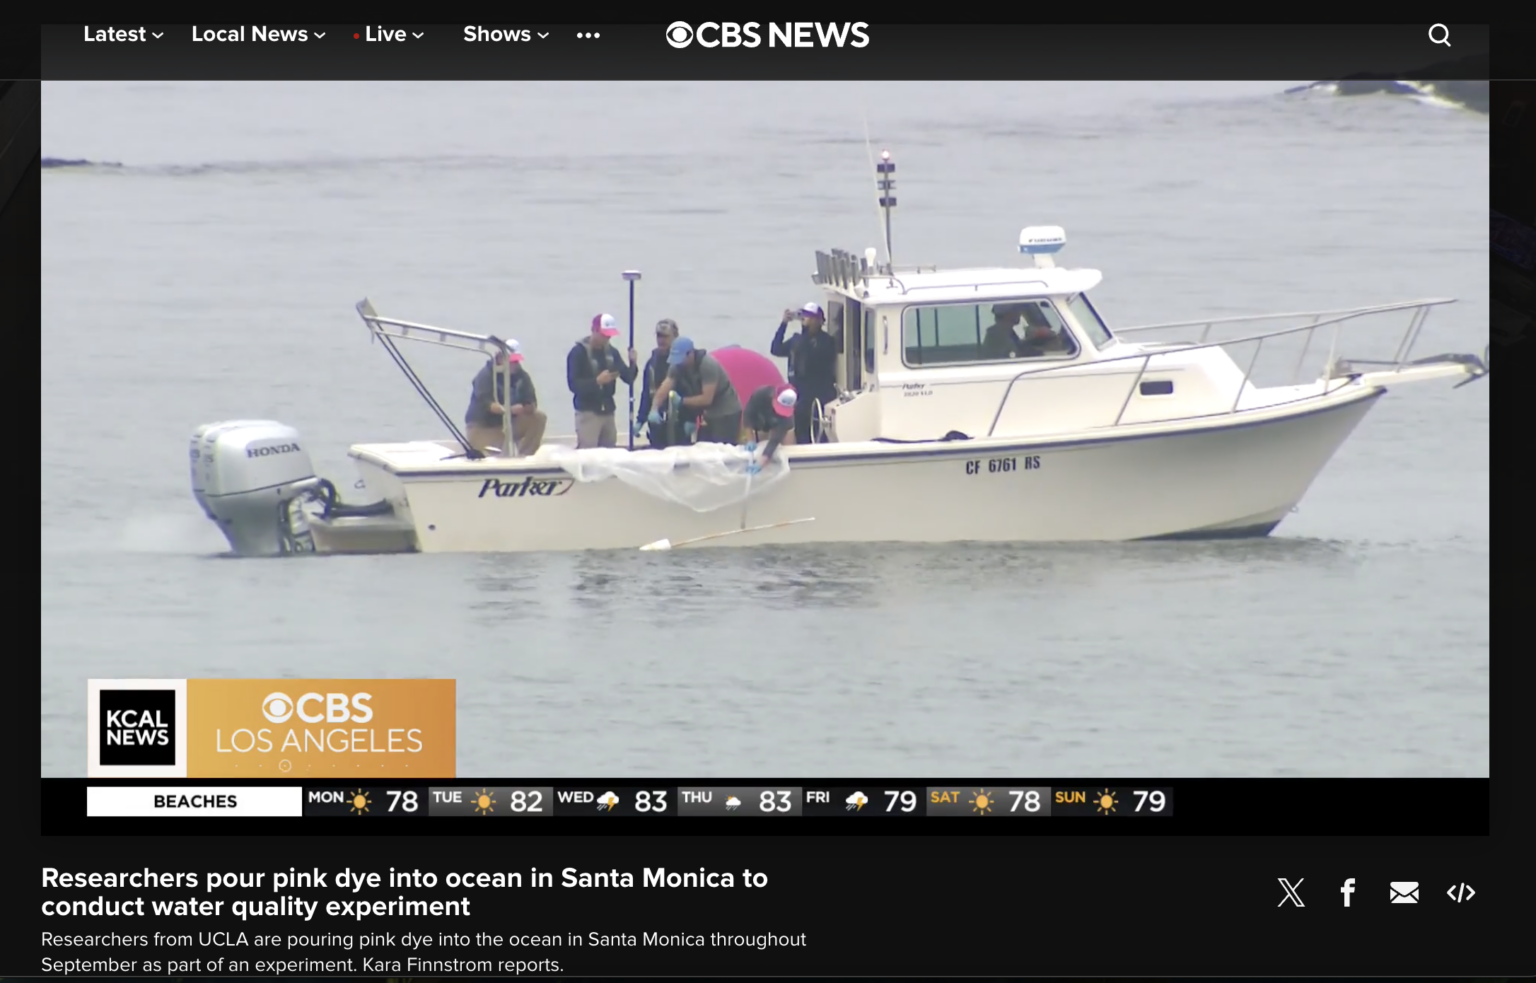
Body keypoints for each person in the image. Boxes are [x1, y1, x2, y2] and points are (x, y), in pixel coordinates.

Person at [770, 301, 841, 444]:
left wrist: (803, 337)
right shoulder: (797, 340)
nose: (804, 318)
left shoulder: (826, 341)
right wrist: (784, 324)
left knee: (816, 431)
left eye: (808, 316)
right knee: (799, 430)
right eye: (803, 315)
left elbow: (813, 359)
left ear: (817, 320)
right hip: (799, 394)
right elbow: (775, 349)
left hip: (818, 394)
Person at [649, 337, 742, 444]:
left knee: (721, 447)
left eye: (681, 359)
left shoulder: (707, 365)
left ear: (690, 354)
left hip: (726, 411)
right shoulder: (677, 366)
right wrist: (654, 408)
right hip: (708, 413)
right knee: (702, 446)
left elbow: (707, 399)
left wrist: (682, 401)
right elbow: (665, 386)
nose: (678, 363)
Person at [566, 313, 639, 448]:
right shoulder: (577, 353)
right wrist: (597, 382)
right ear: (594, 330)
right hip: (588, 412)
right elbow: (573, 385)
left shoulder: (612, 352)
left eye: (609, 335)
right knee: (588, 450)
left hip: (608, 412)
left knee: (609, 448)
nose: (607, 338)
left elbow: (628, 378)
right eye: (604, 335)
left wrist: (633, 363)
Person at [463, 341, 547, 455]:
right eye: (511, 361)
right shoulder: (485, 376)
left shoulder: (522, 376)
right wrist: (509, 410)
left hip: (507, 425)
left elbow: (531, 402)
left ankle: (525, 455)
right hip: (483, 427)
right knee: (492, 454)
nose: (514, 364)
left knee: (539, 417)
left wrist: (526, 407)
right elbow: (488, 405)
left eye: (516, 361)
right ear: (500, 358)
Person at [634, 317, 681, 447]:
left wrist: (691, 419)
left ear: (675, 337)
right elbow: (646, 393)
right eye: (659, 336)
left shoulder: (681, 361)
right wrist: (640, 420)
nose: (661, 340)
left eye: (665, 336)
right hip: (657, 420)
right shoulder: (651, 363)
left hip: (678, 420)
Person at [741, 383, 797, 473]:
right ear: (774, 397)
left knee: (786, 451)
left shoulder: (787, 418)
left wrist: (760, 464)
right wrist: (750, 439)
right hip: (763, 423)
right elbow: (748, 416)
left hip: (779, 425)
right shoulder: (760, 395)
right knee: (759, 449)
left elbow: (774, 441)